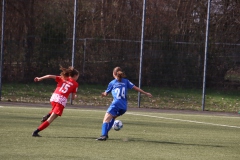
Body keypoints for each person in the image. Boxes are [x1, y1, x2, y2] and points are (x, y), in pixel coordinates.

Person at [97, 67, 152, 141]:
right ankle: (105, 134)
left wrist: (103, 94)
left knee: (105, 120)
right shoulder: (126, 81)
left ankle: (103, 135)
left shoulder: (112, 83)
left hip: (116, 104)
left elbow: (106, 93)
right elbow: (135, 88)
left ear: (114, 74)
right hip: (124, 107)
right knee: (113, 117)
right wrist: (145, 93)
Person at [32, 66, 79, 137]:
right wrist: (75, 96)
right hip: (61, 100)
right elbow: (72, 98)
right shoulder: (75, 84)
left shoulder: (63, 78)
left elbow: (49, 76)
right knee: (51, 119)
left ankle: (48, 115)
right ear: (75, 76)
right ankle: (36, 132)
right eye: (78, 76)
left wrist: (40, 78)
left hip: (54, 97)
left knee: (54, 109)